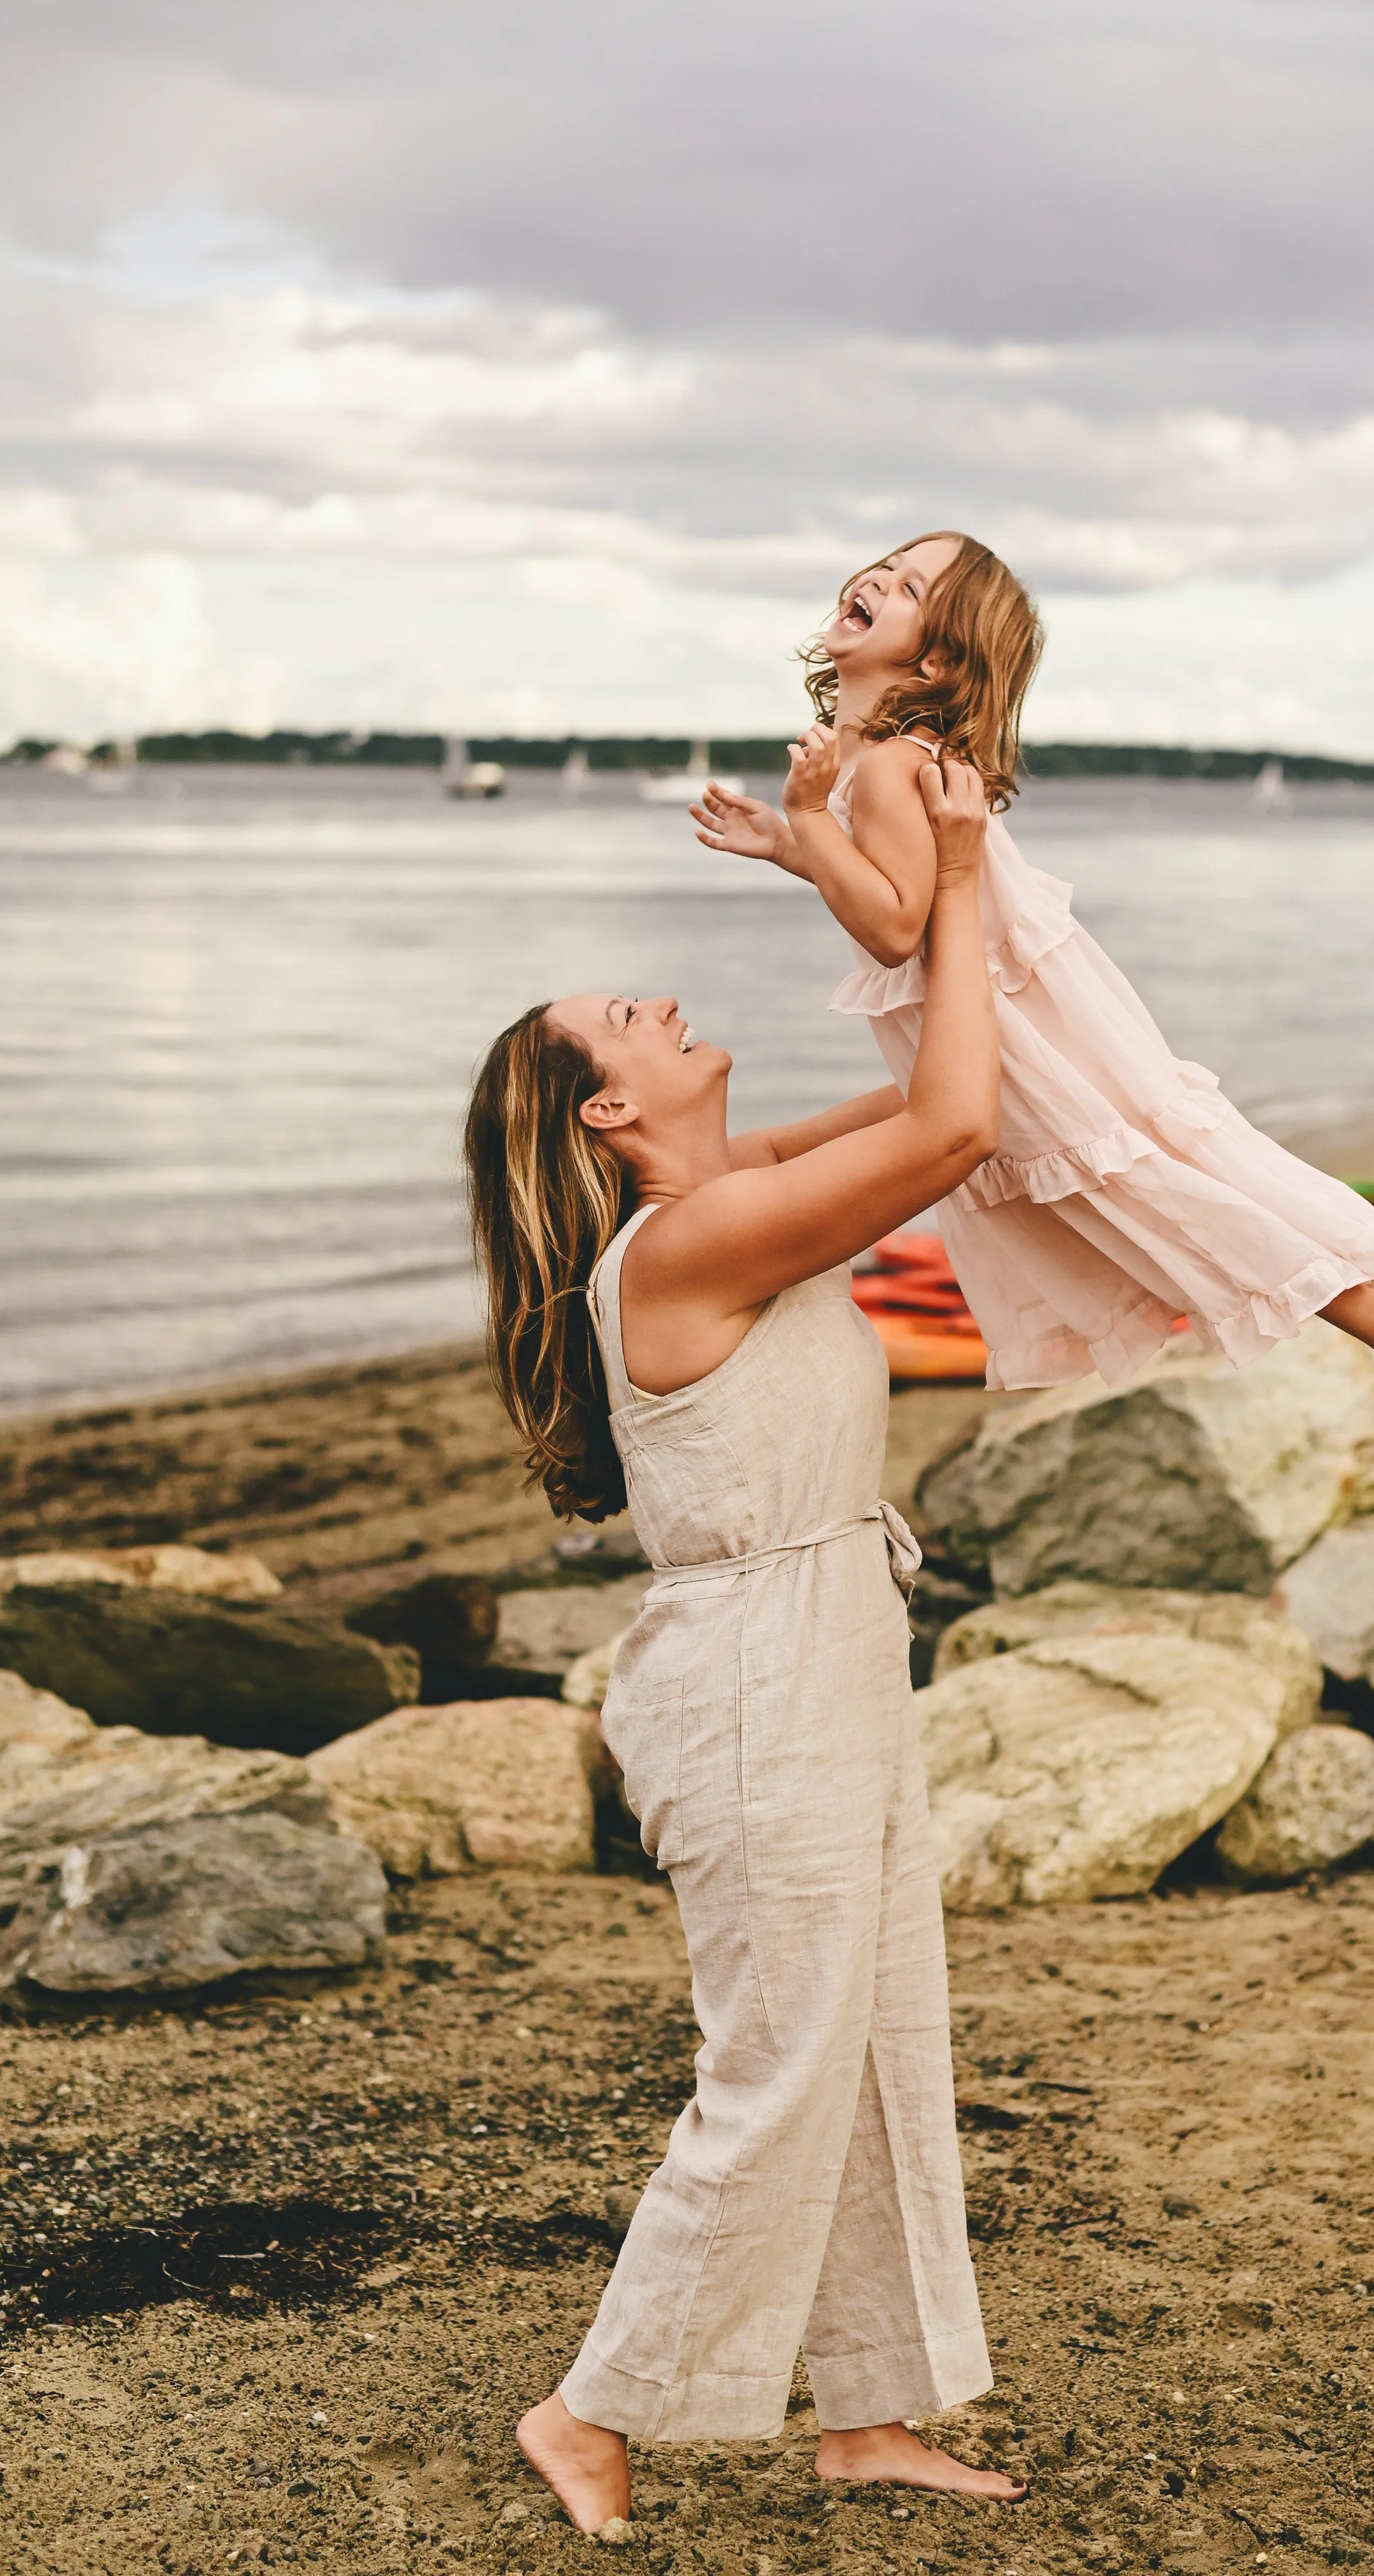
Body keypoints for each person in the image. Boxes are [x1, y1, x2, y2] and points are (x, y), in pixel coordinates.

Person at [465, 751, 1025, 2535]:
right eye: (623, 1015)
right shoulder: (688, 1243)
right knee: (781, 2057)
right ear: (605, 1108)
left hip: (826, 1639)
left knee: (875, 2035)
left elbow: (925, 1092)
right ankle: (586, 2406)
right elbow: (954, 1129)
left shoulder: (735, 1189)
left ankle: (868, 2408)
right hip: (747, 1681)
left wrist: (858, 865)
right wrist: (951, 872)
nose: (661, 1000)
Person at [692, 531, 1374, 1445]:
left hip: (1007, 1028)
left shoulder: (883, 764)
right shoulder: (889, 753)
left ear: (939, 658)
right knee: (1159, 1179)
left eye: (909, 587)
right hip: (1025, 1012)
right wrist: (793, 846)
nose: (878, 578)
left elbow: (893, 929)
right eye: (886, 565)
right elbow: (896, 887)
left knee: (1150, 1190)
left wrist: (805, 816)